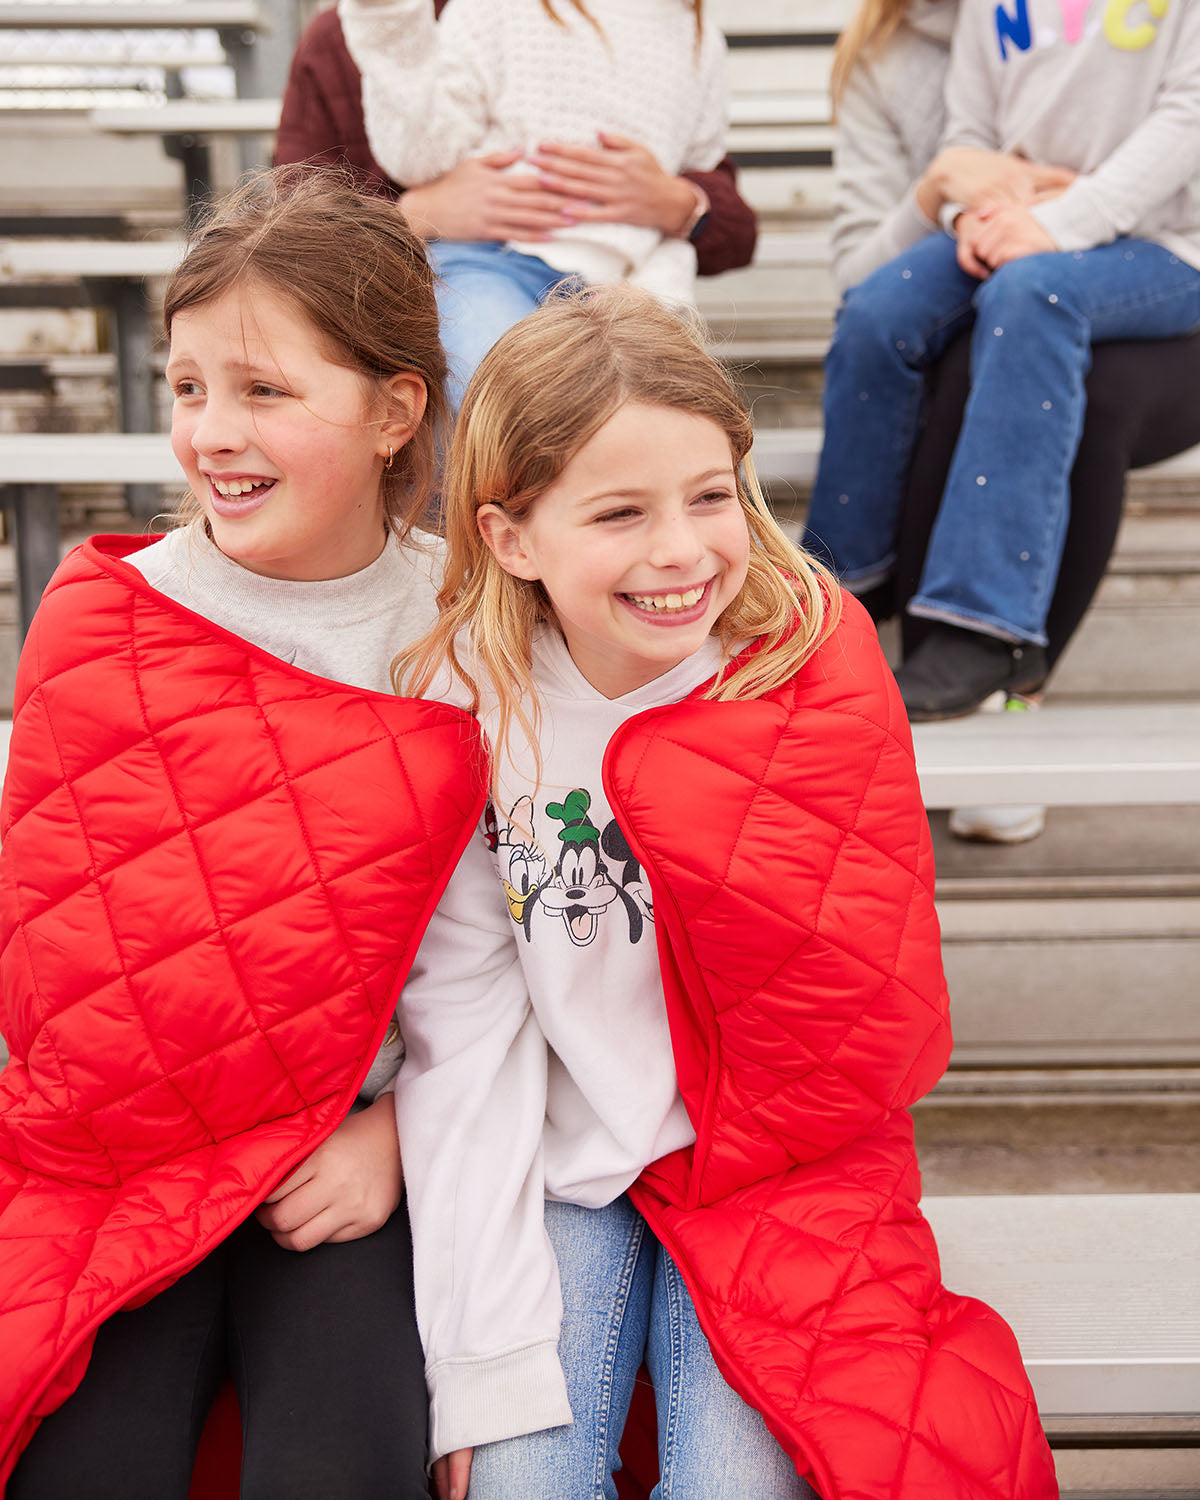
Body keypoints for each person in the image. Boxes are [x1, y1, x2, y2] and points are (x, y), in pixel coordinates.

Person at [392, 286, 1059, 1500]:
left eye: (711, 496)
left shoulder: (802, 666)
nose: (682, 551)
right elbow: (466, 1022)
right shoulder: (470, 701)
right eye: (620, 512)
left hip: (775, 1170)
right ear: (511, 538)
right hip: (563, 1163)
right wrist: (478, 1354)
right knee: (522, 1482)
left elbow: (869, 1009)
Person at [0, 167, 486, 1498]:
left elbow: (510, 961)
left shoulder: (464, 637)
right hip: (126, 1156)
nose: (214, 432)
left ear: (394, 412)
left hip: (343, 1156)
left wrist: (401, 1139)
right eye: (188, 387)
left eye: (265, 390)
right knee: (82, 1466)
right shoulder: (105, 621)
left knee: (339, 1463)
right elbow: (60, 959)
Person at [824, 0, 1200, 843]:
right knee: (879, 311)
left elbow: (1187, 116)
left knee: (1030, 301)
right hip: (1017, 232)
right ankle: (848, 584)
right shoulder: (966, 20)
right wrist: (969, 214)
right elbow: (970, 134)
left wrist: (1057, 224)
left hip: (1159, 246)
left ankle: (984, 629)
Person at [337, 0, 731, 405]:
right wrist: (389, 16)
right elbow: (421, 151)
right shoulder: (496, 10)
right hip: (493, 264)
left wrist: (659, 292)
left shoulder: (701, 41)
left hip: (623, 289)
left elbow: (692, 194)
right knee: (498, 398)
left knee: (652, 421)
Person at [274, 3, 757, 282]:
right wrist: (412, 217)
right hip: (422, 318)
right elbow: (290, 242)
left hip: (614, 293)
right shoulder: (344, 34)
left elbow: (735, 232)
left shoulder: (623, 26)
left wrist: (678, 203)